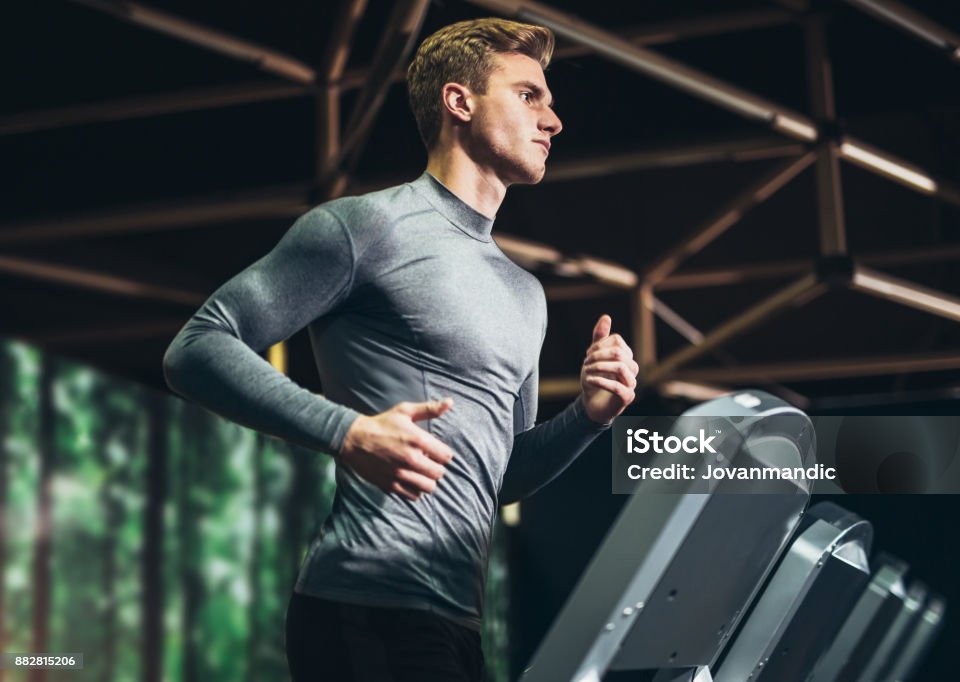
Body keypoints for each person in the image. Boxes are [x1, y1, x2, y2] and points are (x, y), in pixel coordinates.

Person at [163, 16, 639, 682]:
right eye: (531, 95)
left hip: (457, 622)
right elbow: (196, 347)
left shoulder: (524, 293)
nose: (554, 121)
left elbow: (497, 477)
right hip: (364, 605)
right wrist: (348, 431)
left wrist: (589, 418)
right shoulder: (367, 226)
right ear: (459, 101)